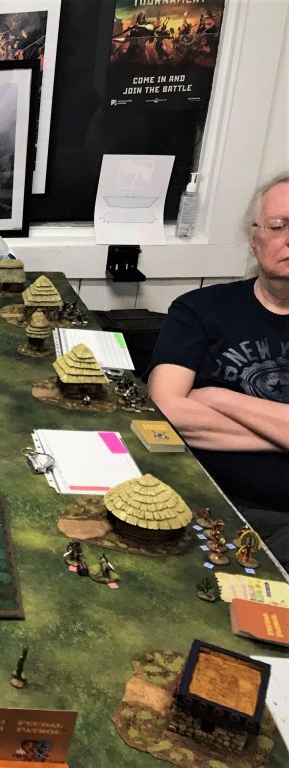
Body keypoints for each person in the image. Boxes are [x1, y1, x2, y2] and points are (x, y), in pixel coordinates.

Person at [147, 173, 289, 567]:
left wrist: (217, 398)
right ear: (253, 236)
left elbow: (186, 406)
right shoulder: (199, 309)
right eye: (279, 225)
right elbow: (165, 410)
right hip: (199, 495)